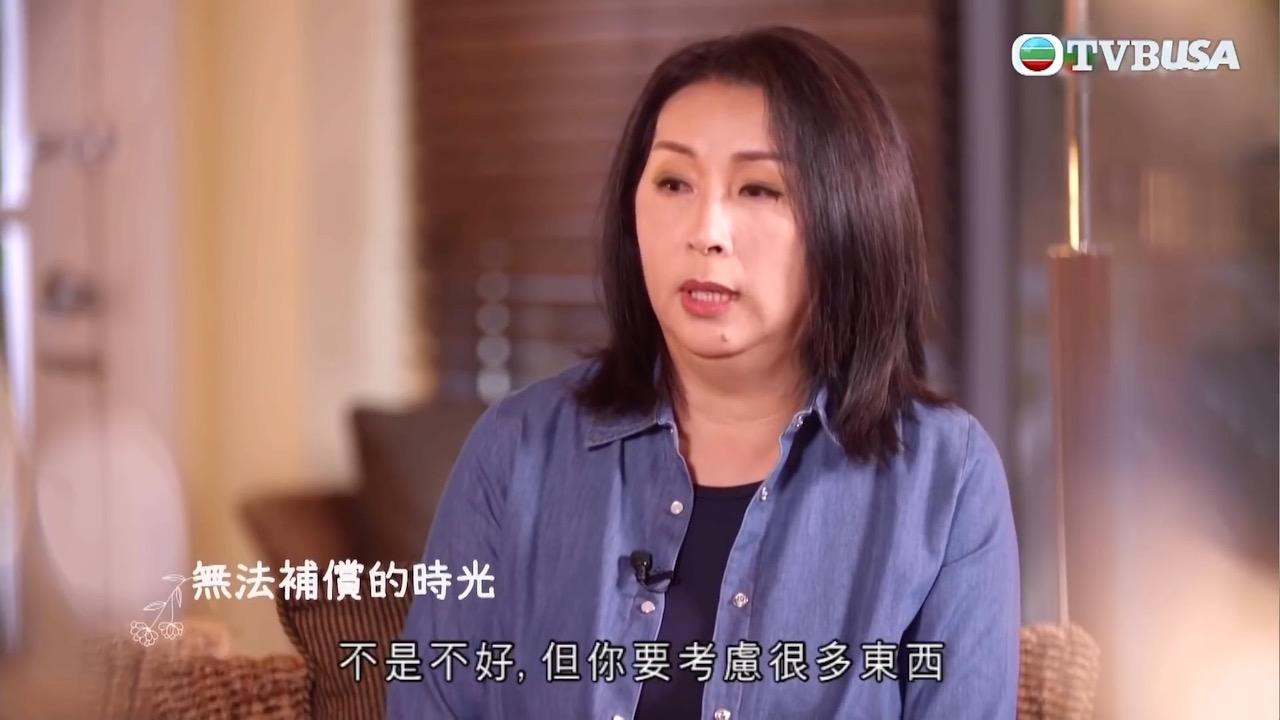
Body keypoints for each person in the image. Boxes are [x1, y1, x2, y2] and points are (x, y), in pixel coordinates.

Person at [388, 25, 1019, 720]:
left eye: (759, 189)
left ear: (851, 218)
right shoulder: (517, 449)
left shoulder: (944, 476)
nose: (705, 231)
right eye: (673, 182)